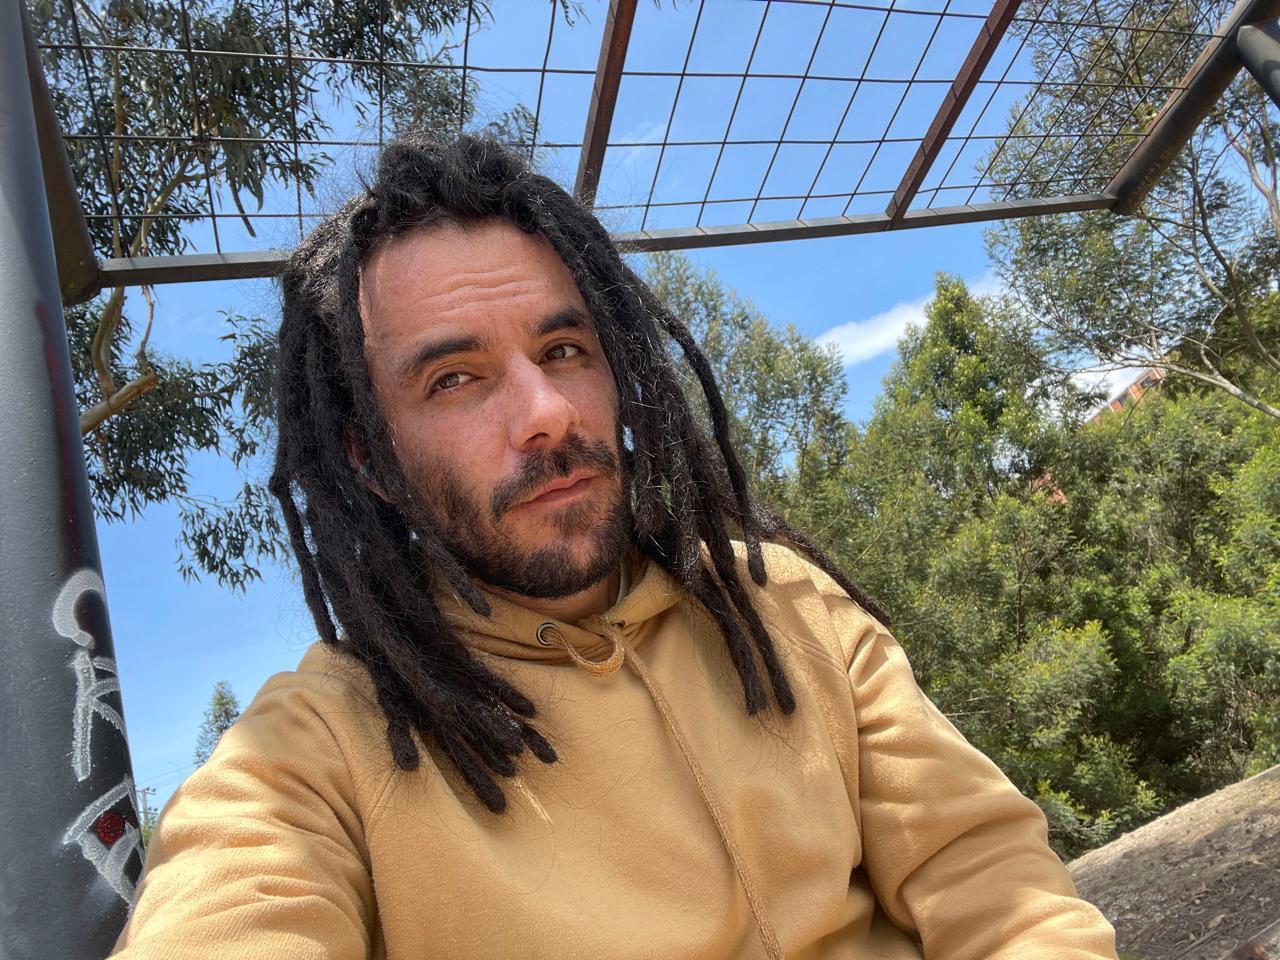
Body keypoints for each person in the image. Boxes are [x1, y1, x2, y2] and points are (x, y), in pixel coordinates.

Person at [111, 133, 1118, 959]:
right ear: (368, 459)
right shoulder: (315, 749)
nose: (546, 411)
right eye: (455, 379)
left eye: (564, 350)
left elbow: (988, 876)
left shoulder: (781, 604)